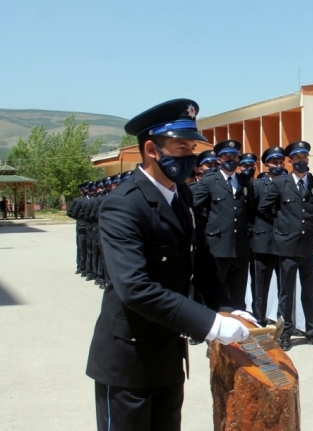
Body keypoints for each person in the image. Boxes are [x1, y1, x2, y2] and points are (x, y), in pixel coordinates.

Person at [86, 98, 255, 431]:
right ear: (152, 148)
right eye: (181, 147)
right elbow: (136, 288)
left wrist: (227, 307)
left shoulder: (182, 195)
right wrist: (211, 324)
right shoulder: (123, 205)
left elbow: (202, 261)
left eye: (192, 147)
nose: (190, 156)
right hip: (129, 361)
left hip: (168, 353)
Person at [257, 140, 313, 351]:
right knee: (286, 293)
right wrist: (281, 228)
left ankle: (312, 331)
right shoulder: (281, 183)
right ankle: (286, 333)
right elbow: (264, 209)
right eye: (297, 158)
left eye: (304, 157)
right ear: (290, 161)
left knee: (310, 292)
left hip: (309, 245)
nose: (302, 161)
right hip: (287, 246)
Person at [193, 140, 255, 311]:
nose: (231, 160)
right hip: (218, 245)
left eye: (234, 156)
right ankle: (216, 331)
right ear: (219, 160)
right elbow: (195, 209)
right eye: (227, 156)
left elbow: (250, 210)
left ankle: (240, 331)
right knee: (217, 291)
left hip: (240, 246)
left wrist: (247, 232)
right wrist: (207, 232)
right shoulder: (209, 181)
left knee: (238, 294)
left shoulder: (245, 182)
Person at [250, 146, 286, 326]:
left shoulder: (288, 183)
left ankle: (283, 322)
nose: (278, 166)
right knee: (260, 285)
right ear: (266, 165)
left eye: (280, 162)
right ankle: (259, 319)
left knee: (284, 286)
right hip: (263, 240)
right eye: (274, 162)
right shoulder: (257, 185)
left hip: (284, 241)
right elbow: (250, 212)